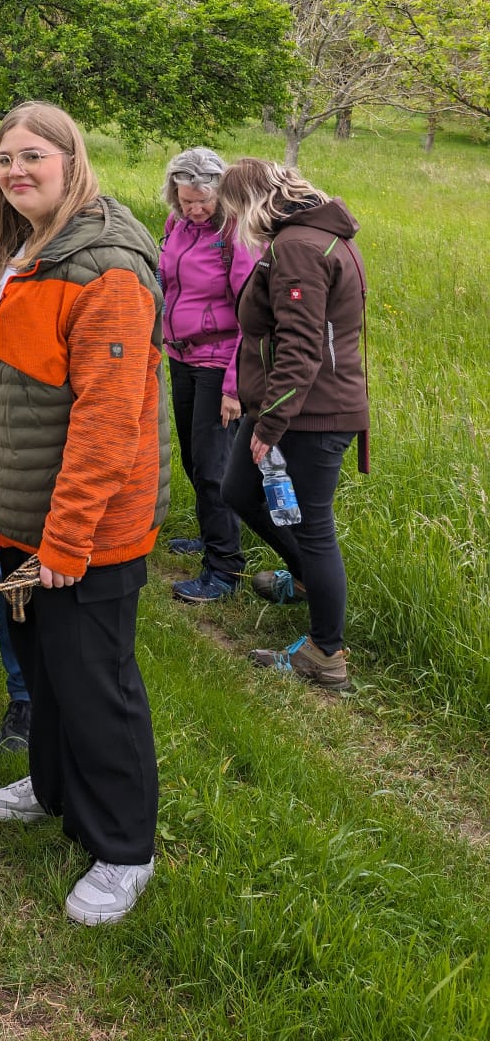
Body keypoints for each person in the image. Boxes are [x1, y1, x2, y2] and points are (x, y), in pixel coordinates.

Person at [0, 101, 167, 925]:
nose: (14, 171)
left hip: (88, 524)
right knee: (41, 664)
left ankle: (124, 848)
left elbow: (109, 421)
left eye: (33, 156)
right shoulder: (16, 253)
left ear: (72, 160)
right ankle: (53, 784)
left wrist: (68, 539)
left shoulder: (107, 266)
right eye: (4, 159)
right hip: (16, 505)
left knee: (94, 679)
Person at [216, 158, 369, 694]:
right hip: (286, 405)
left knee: (312, 524)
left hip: (310, 413)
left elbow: (302, 350)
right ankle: (304, 578)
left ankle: (326, 654)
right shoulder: (306, 236)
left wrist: (271, 424)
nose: (234, 224)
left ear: (252, 203)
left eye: (233, 211)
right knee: (239, 491)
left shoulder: (299, 247)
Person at [159, 147, 256, 603]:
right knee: (195, 458)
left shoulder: (236, 234)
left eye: (203, 201)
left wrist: (234, 387)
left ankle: (224, 568)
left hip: (220, 362)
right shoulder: (176, 225)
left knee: (215, 467)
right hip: (181, 355)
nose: (195, 209)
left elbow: (252, 315)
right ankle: (211, 533)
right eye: (186, 201)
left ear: (221, 194)